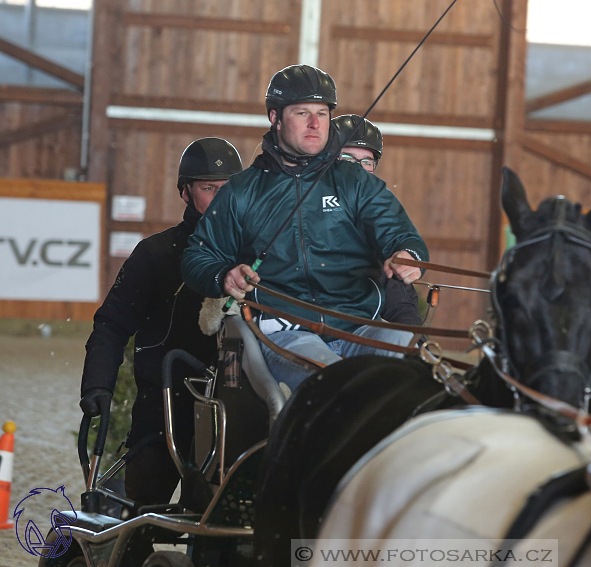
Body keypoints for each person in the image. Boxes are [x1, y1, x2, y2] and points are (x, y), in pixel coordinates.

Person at [181, 65, 428, 393]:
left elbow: (399, 232)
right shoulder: (241, 192)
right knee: (337, 385)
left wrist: (406, 253)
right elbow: (198, 258)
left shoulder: (355, 182)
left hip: (361, 326)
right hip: (285, 332)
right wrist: (224, 275)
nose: (315, 124)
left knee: (416, 361)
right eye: (302, 113)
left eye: (322, 114)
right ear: (275, 118)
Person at [79, 138, 243, 506]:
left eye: (229, 189)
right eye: (209, 188)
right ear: (185, 192)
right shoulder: (155, 254)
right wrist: (97, 386)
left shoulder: (256, 256)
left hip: (233, 414)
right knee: (143, 506)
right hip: (164, 410)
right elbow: (112, 324)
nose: (221, 200)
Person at [333, 113, 423, 326]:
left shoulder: (377, 211)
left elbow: (400, 301)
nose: (357, 169)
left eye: (366, 161)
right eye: (347, 158)